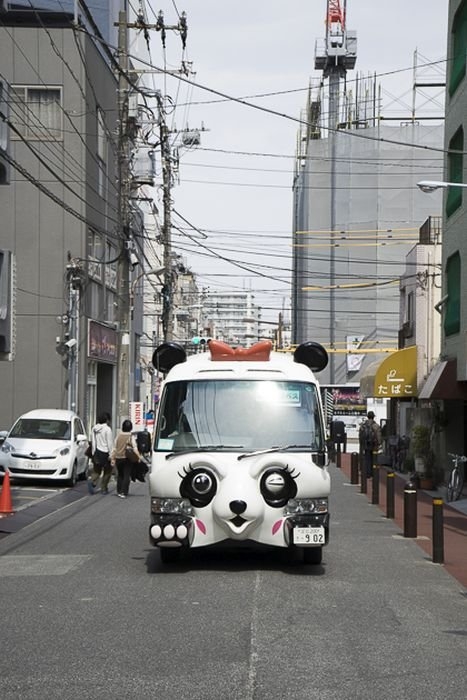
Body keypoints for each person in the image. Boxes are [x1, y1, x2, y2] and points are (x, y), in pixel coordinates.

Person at [110, 419, 141, 499]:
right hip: (127, 458)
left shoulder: (118, 436)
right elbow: (134, 448)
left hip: (118, 458)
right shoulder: (130, 436)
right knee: (127, 475)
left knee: (120, 475)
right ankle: (124, 492)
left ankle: (119, 491)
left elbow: (114, 448)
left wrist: (113, 458)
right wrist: (138, 456)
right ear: (131, 427)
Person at [88, 412, 113, 494]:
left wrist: (93, 452)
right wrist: (111, 454)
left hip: (97, 452)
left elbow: (93, 441)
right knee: (108, 471)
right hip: (105, 452)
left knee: (97, 470)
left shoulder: (94, 428)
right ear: (107, 420)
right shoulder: (107, 429)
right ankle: (104, 488)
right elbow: (109, 443)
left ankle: (92, 481)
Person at [359, 411, 382, 479]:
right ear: (373, 417)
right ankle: (373, 473)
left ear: (367, 416)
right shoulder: (376, 426)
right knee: (374, 459)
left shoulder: (363, 425)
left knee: (367, 458)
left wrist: (361, 444)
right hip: (373, 445)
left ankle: (367, 473)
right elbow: (378, 436)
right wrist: (379, 443)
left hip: (365, 445)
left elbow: (360, 435)